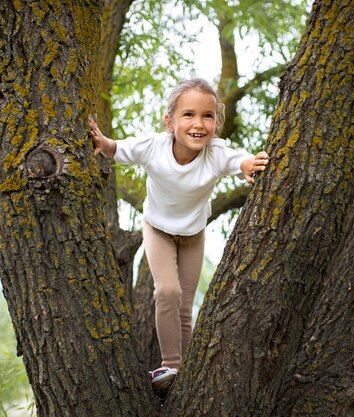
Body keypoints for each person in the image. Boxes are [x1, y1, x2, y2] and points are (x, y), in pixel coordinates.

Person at [88, 78, 269, 393]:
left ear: (216, 123)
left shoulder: (215, 152)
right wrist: (103, 143)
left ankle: (185, 370)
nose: (199, 124)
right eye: (188, 115)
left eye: (207, 116)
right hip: (158, 229)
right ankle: (170, 364)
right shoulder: (154, 146)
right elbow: (118, 149)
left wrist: (250, 164)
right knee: (168, 293)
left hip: (193, 235)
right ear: (170, 121)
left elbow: (238, 161)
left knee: (185, 305)